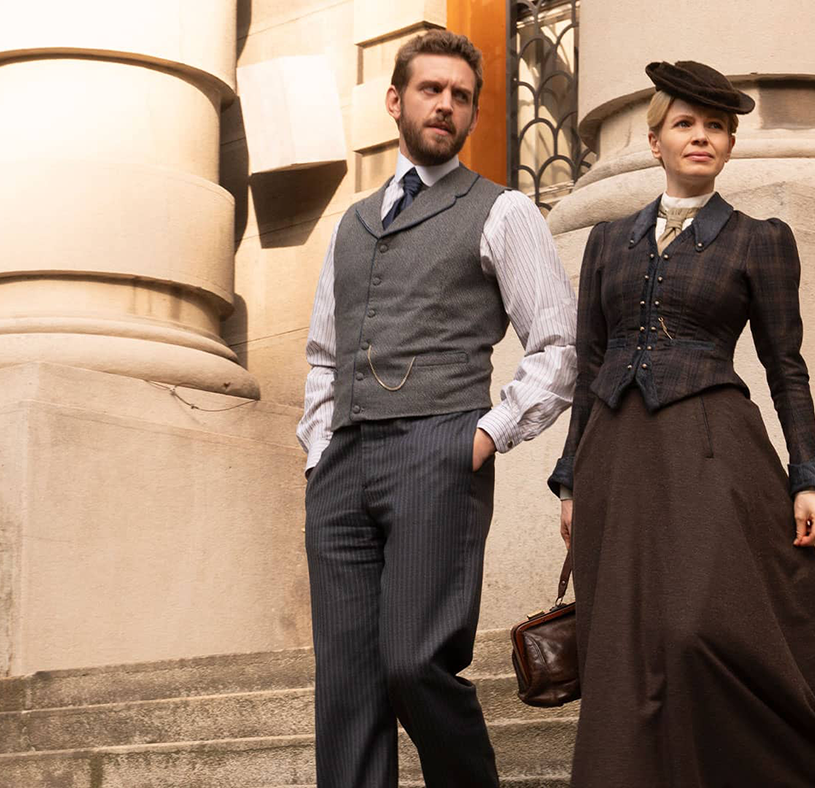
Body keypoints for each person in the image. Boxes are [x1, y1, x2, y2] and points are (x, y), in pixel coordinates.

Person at [549, 60, 815, 786]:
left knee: (696, 628)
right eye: (686, 124)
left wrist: (809, 478)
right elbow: (591, 363)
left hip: (709, 443)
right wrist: (571, 481)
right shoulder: (606, 241)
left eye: (717, 128)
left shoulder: (760, 239)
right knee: (621, 642)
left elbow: (784, 365)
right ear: (656, 139)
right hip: (614, 453)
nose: (701, 137)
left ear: (730, 145)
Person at [298, 30, 577, 788]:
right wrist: (319, 454)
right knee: (349, 692)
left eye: (461, 96)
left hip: (438, 450)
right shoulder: (349, 227)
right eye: (431, 90)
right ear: (396, 100)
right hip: (343, 468)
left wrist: (484, 436)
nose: (446, 105)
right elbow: (324, 355)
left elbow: (557, 345)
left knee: (415, 663)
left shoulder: (502, 211)